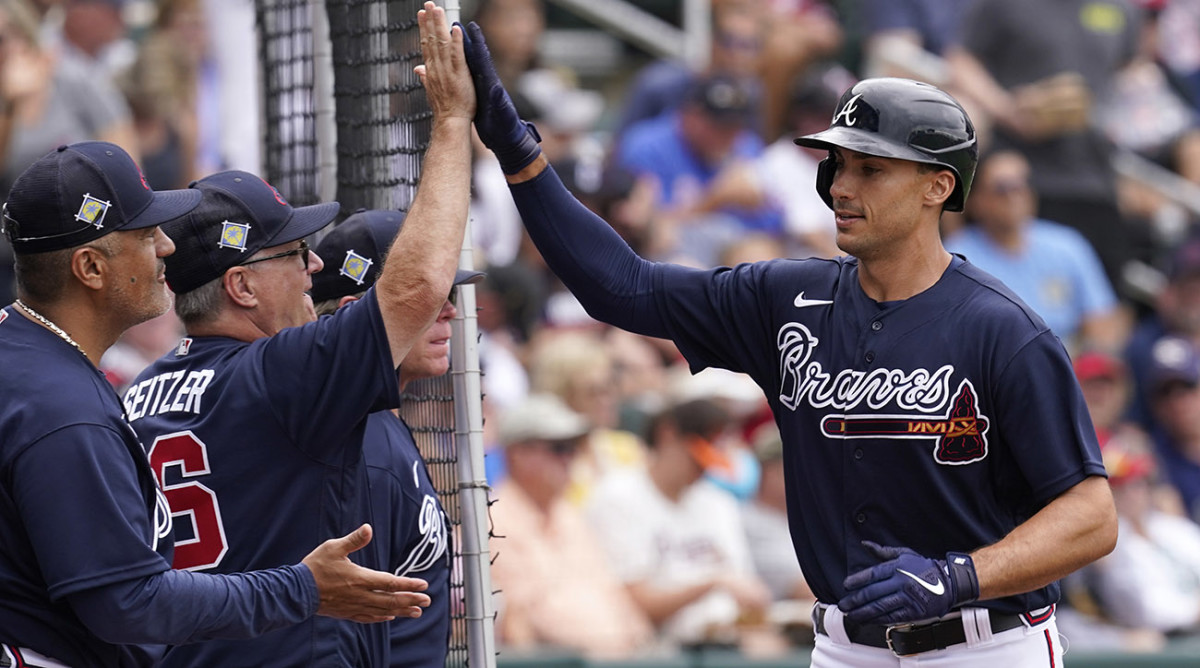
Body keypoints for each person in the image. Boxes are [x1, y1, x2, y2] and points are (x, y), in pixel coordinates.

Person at [458, 22, 1118, 664]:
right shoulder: (787, 299)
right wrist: (519, 152)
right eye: (836, 165)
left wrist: (960, 576)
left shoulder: (1004, 330)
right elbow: (623, 288)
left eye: (870, 169)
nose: (840, 187)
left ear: (937, 187)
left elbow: (1092, 517)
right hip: (842, 647)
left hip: (985, 646)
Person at [121, 4, 473, 666]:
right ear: (242, 287)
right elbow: (417, 289)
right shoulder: (276, 375)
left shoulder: (139, 393)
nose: (314, 265)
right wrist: (452, 125)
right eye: (292, 253)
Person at [0, 140, 431, 667]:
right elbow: (126, 605)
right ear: (90, 268)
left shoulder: (35, 362)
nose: (166, 247)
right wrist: (303, 588)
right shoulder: (61, 408)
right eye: (145, 234)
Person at [310, 209, 483, 667]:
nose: (448, 309)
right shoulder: (361, 443)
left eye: (447, 294)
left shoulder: (377, 424)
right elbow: (345, 630)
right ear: (353, 317)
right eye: (425, 296)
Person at [585, 397, 770, 649]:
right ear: (668, 433)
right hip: (658, 648)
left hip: (728, 643)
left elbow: (747, 593)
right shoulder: (617, 496)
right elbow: (638, 603)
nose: (704, 470)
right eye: (698, 458)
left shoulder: (717, 502)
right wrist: (712, 583)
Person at [489, 393, 655, 658]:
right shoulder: (492, 520)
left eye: (573, 448)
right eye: (559, 448)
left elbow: (614, 595)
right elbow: (518, 628)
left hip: (618, 658)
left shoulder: (570, 513)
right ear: (519, 454)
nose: (570, 459)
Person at [944, 149, 1124, 353]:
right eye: (1002, 189)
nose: (1015, 196)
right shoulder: (957, 256)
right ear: (976, 200)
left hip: (1067, 366)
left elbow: (1102, 321)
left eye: (1022, 185)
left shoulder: (1067, 244)